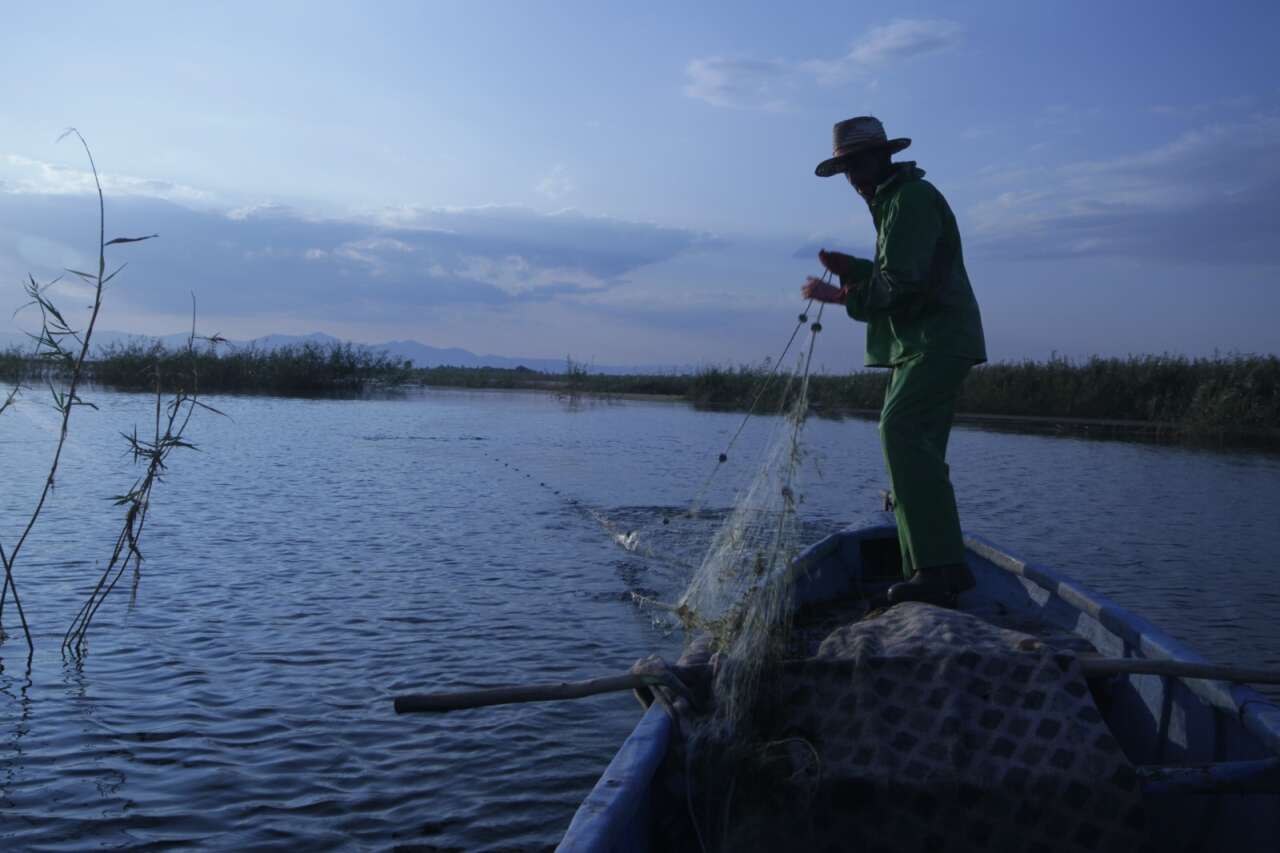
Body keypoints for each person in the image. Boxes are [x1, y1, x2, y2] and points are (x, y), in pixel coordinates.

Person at [802, 116, 987, 607]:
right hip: (918, 343)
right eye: (846, 168)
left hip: (937, 339)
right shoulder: (891, 203)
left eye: (860, 162)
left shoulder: (910, 200)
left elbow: (905, 283)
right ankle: (933, 571)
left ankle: (936, 568)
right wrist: (855, 270)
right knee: (917, 450)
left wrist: (837, 296)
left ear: (884, 156)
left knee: (899, 431)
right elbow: (896, 271)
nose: (854, 176)